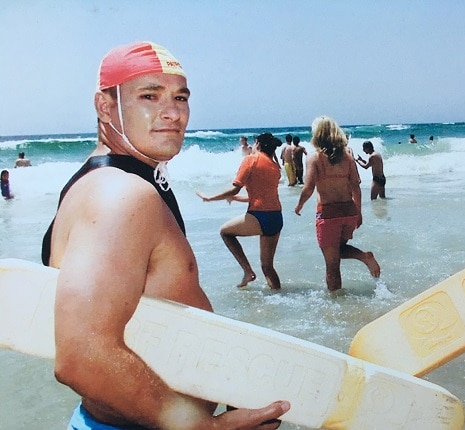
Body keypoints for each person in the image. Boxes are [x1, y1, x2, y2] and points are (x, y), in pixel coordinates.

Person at [41, 41, 289, 430]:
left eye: (180, 97)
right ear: (106, 107)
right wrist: (203, 427)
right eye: (149, 96)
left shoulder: (112, 180)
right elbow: (81, 356)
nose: (173, 112)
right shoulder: (120, 194)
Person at [295, 116, 380, 293]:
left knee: (332, 265)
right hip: (349, 211)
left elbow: (309, 187)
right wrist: (359, 212)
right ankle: (363, 256)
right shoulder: (348, 158)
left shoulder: (314, 158)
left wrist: (299, 205)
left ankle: (336, 303)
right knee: (337, 250)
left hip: (328, 214)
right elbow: (356, 187)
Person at [196, 133, 283, 290]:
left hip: (260, 216)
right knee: (268, 267)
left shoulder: (251, 159)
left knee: (225, 232)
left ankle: (248, 271)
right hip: (276, 217)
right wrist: (236, 199)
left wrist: (210, 198)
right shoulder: (275, 166)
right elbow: (261, 196)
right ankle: (278, 295)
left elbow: (235, 187)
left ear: (258, 144)